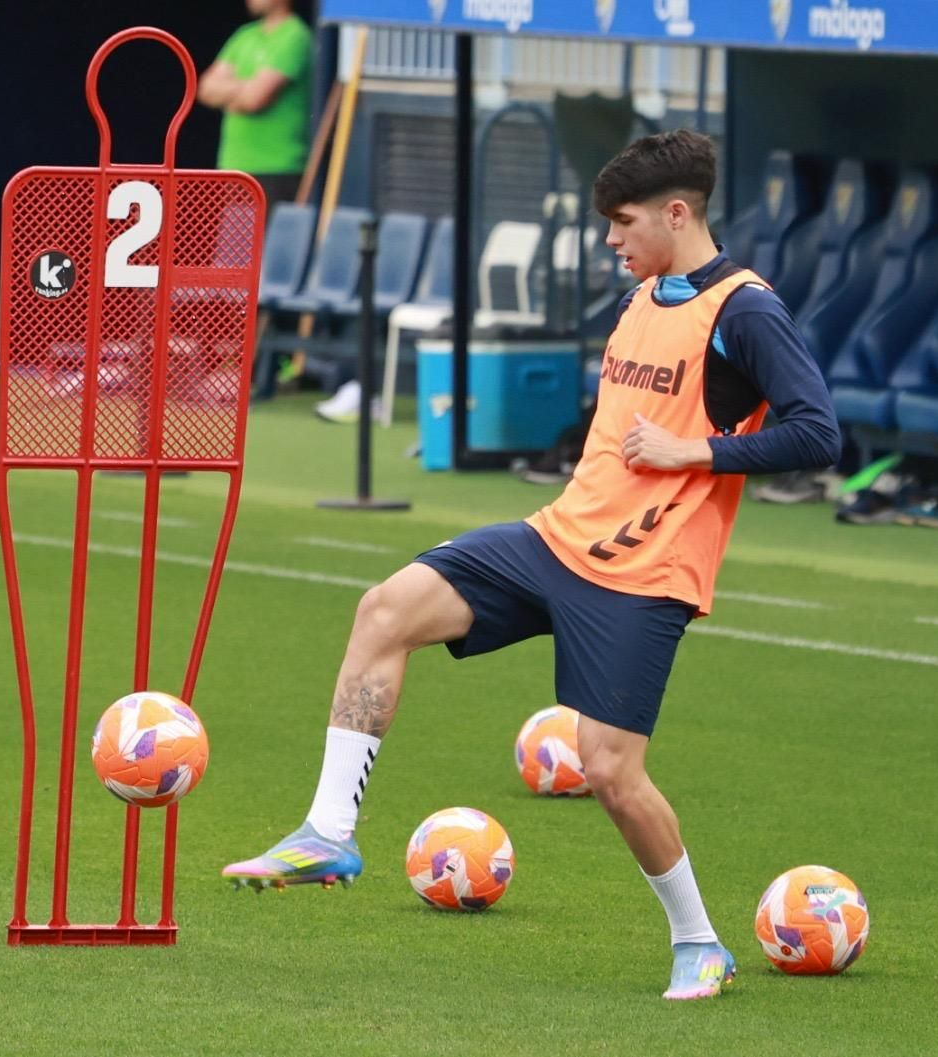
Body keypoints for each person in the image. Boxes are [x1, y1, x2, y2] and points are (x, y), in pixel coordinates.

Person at [222, 130, 842, 1001]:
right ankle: (329, 832)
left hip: (642, 576)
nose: (610, 240)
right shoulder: (642, 296)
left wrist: (691, 449)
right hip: (550, 540)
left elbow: (819, 431)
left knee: (612, 773)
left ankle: (700, 941)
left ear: (677, 213)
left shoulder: (745, 310)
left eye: (623, 223)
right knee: (385, 609)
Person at [197, 0, 312, 217]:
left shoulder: (294, 36)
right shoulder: (245, 35)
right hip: (235, 168)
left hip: (277, 168)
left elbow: (254, 99)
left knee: (266, 250)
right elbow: (204, 88)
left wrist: (230, 91)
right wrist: (244, 88)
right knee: (235, 249)